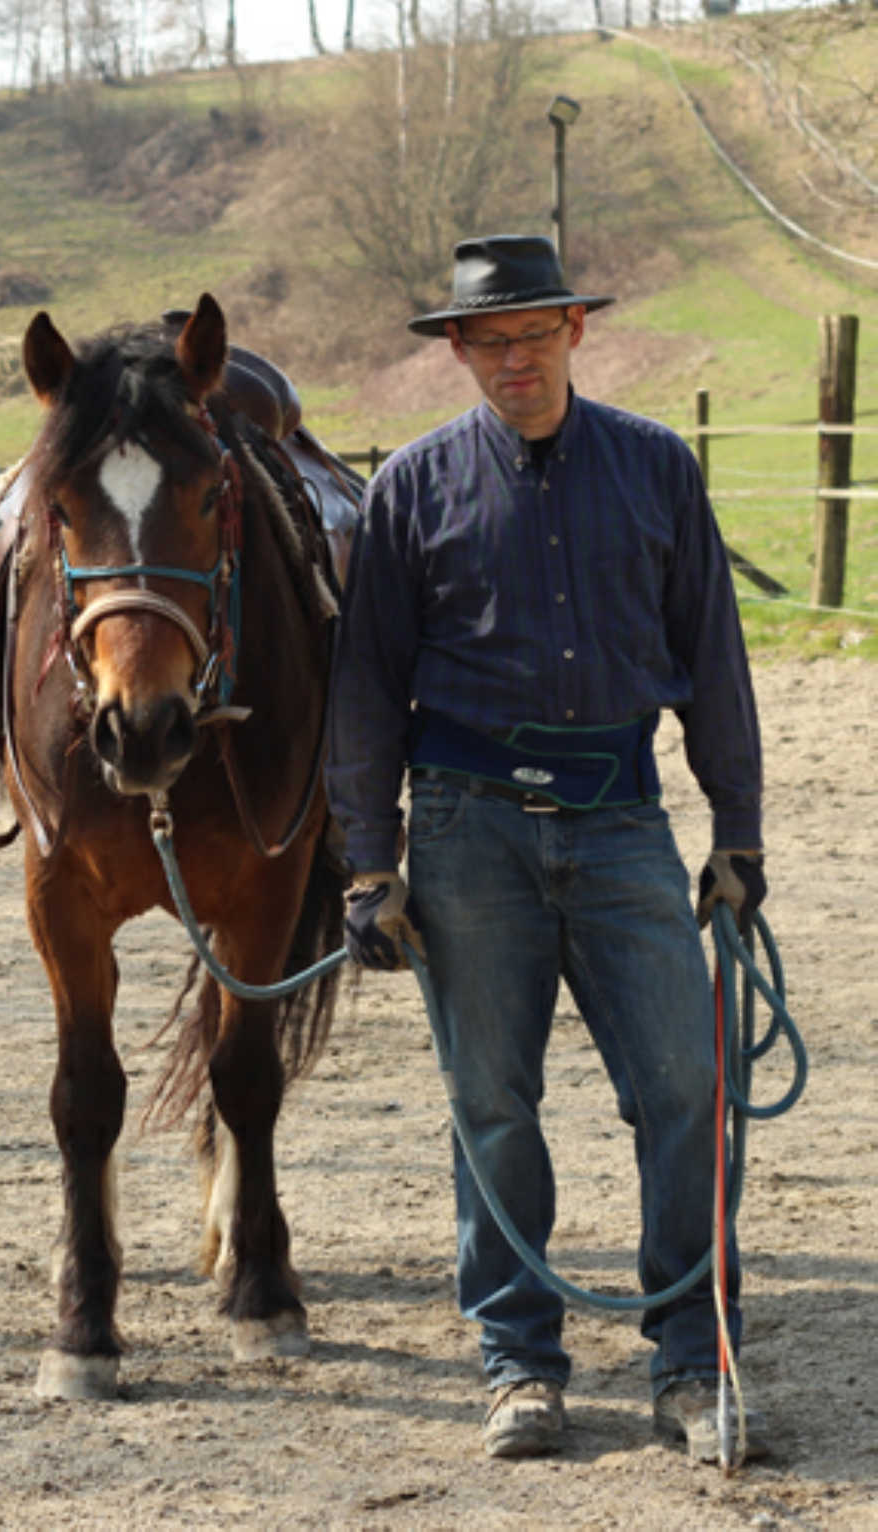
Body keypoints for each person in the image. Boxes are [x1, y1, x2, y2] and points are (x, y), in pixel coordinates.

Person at [325, 234, 769, 1463]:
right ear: (456, 349)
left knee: (685, 1087)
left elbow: (713, 656)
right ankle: (518, 1362)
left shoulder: (657, 466)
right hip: (466, 826)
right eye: (489, 340)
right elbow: (365, 684)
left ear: (575, 330)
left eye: (533, 334)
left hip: (623, 820)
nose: (513, 359)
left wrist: (736, 829)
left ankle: (695, 1360)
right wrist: (370, 857)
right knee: (490, 1101)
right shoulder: (410, 488)